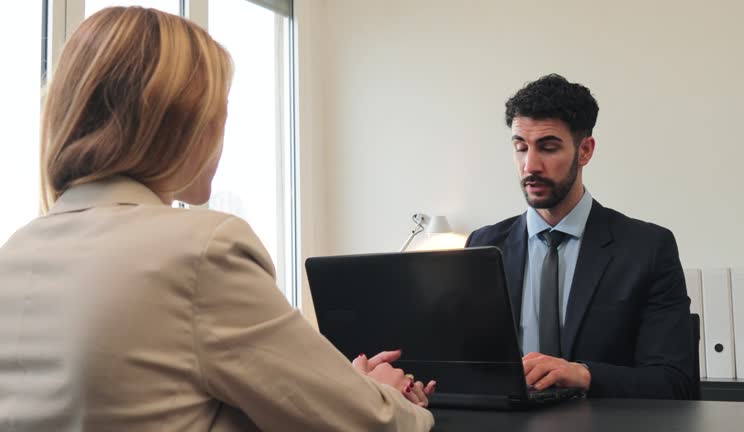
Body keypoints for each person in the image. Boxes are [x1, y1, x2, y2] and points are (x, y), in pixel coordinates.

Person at [0, 7, 435, 431]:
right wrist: (387, 398)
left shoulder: (16, 252)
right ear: (181, 120)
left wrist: (343, 388)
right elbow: (368, 423)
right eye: (220, 113)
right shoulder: (201, 250)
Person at [466, 74, 696, 399]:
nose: (530, 165)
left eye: (548, 147)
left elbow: (674, 382)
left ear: (585, 150)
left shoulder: (647, 249)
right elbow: (466, 365)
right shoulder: (483, 246)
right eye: (520, 148)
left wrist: (584, 374)